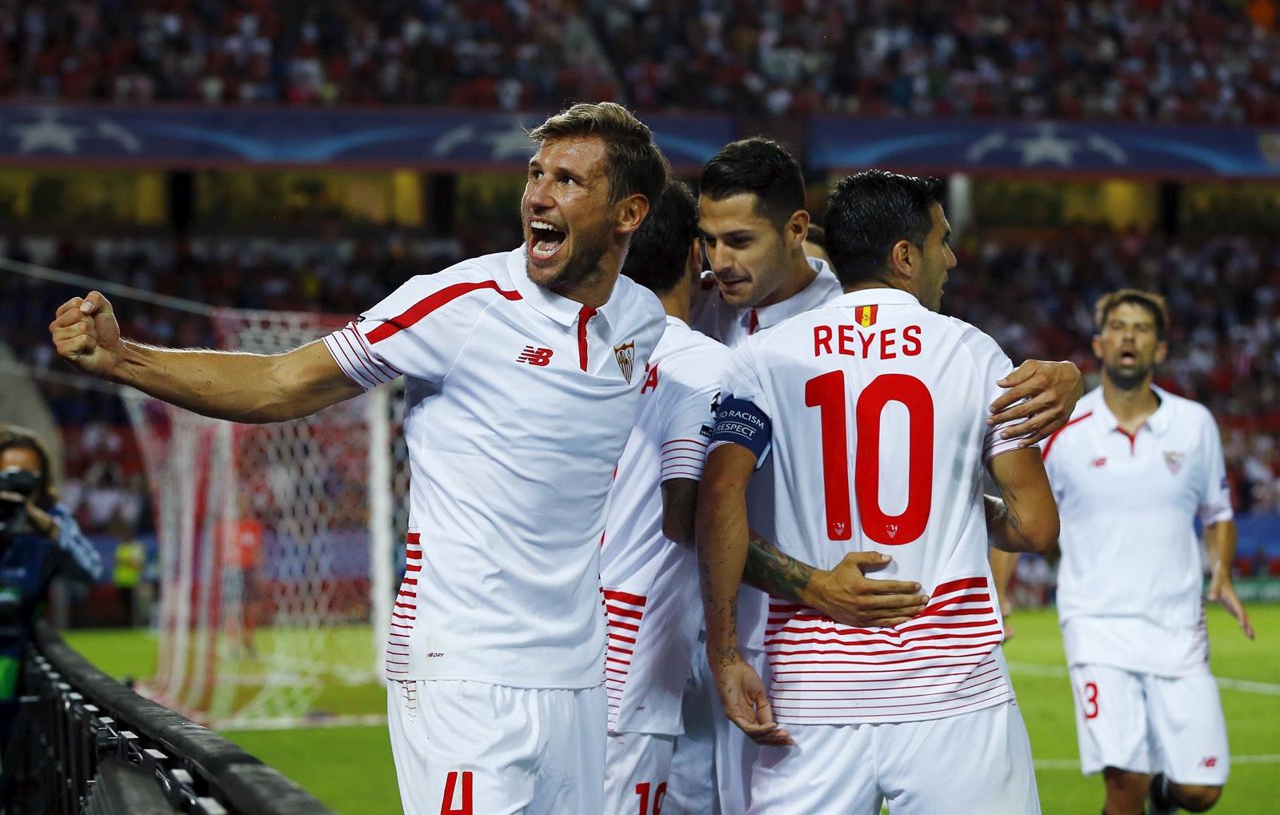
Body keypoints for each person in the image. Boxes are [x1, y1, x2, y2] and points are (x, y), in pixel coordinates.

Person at [49, 101, 671, 815]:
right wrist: (126, 360)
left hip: (580, 677)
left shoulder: (640, 321)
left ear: (628, 213)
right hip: (463, 667)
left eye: (568, 181)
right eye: (536, 174)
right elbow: (281, 383)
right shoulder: (463, 304)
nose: (537, 195)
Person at [670, 137, 1083, 815]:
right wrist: (956, 500)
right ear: (904, 255)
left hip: (808, 694)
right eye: (942, 242)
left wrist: (723, 650)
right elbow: (1035, 527)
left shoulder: (763, 356)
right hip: (952, 695)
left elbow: (717, 495)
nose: (951, 258)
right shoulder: (972, 351)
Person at [1039, 289, 1252, 815]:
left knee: (1201, 791)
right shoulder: (1064, 429)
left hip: (1177, 626)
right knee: (1124, 784)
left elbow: (1217, 512)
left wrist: (1221, 572)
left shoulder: (1195, 424)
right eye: (1119, 326)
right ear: (1099, 344)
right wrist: (997, 589)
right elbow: (1027, 515)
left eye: (1142, 328)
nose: (1129, 334)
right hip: (1096, 624)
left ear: (1160, 350)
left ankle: (1165, 797)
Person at [599, 180, 729, 815]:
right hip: (633, 655)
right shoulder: (707, 365)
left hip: (547, 647)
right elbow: (687, 516)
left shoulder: (582, 353)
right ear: (694, 257)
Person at [0, 427, 103, 760]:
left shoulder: (51, 518)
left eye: (28, 474)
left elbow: (92, 571)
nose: (18, 483)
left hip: (20, 652)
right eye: (9, 474)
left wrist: (44, 527)